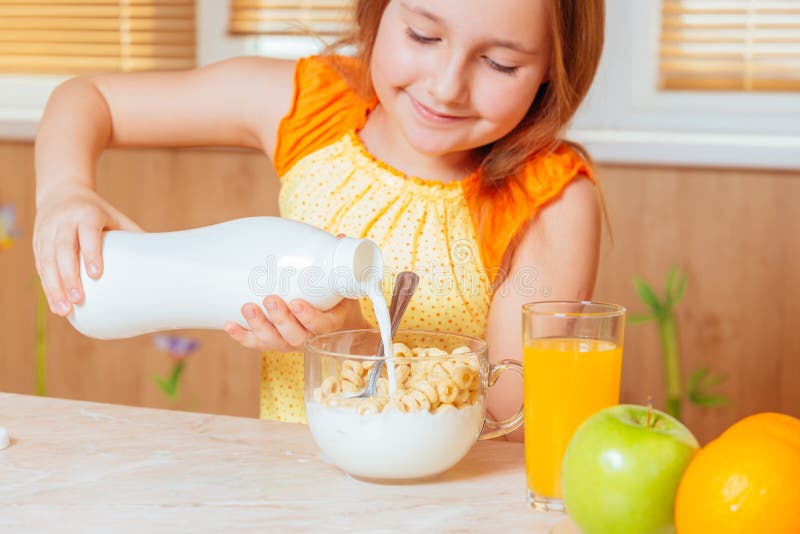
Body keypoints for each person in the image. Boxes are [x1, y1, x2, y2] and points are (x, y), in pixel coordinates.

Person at [33, 0, 605, 436]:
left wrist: (360, 347)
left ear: (552, 69)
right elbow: (90, 99)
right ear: (378, 13)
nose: (446, 85)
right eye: (423, 35)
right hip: (289, 493)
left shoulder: (547, 200)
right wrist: (65, 189)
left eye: (500, 63)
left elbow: (513, 419)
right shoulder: (310, 106)